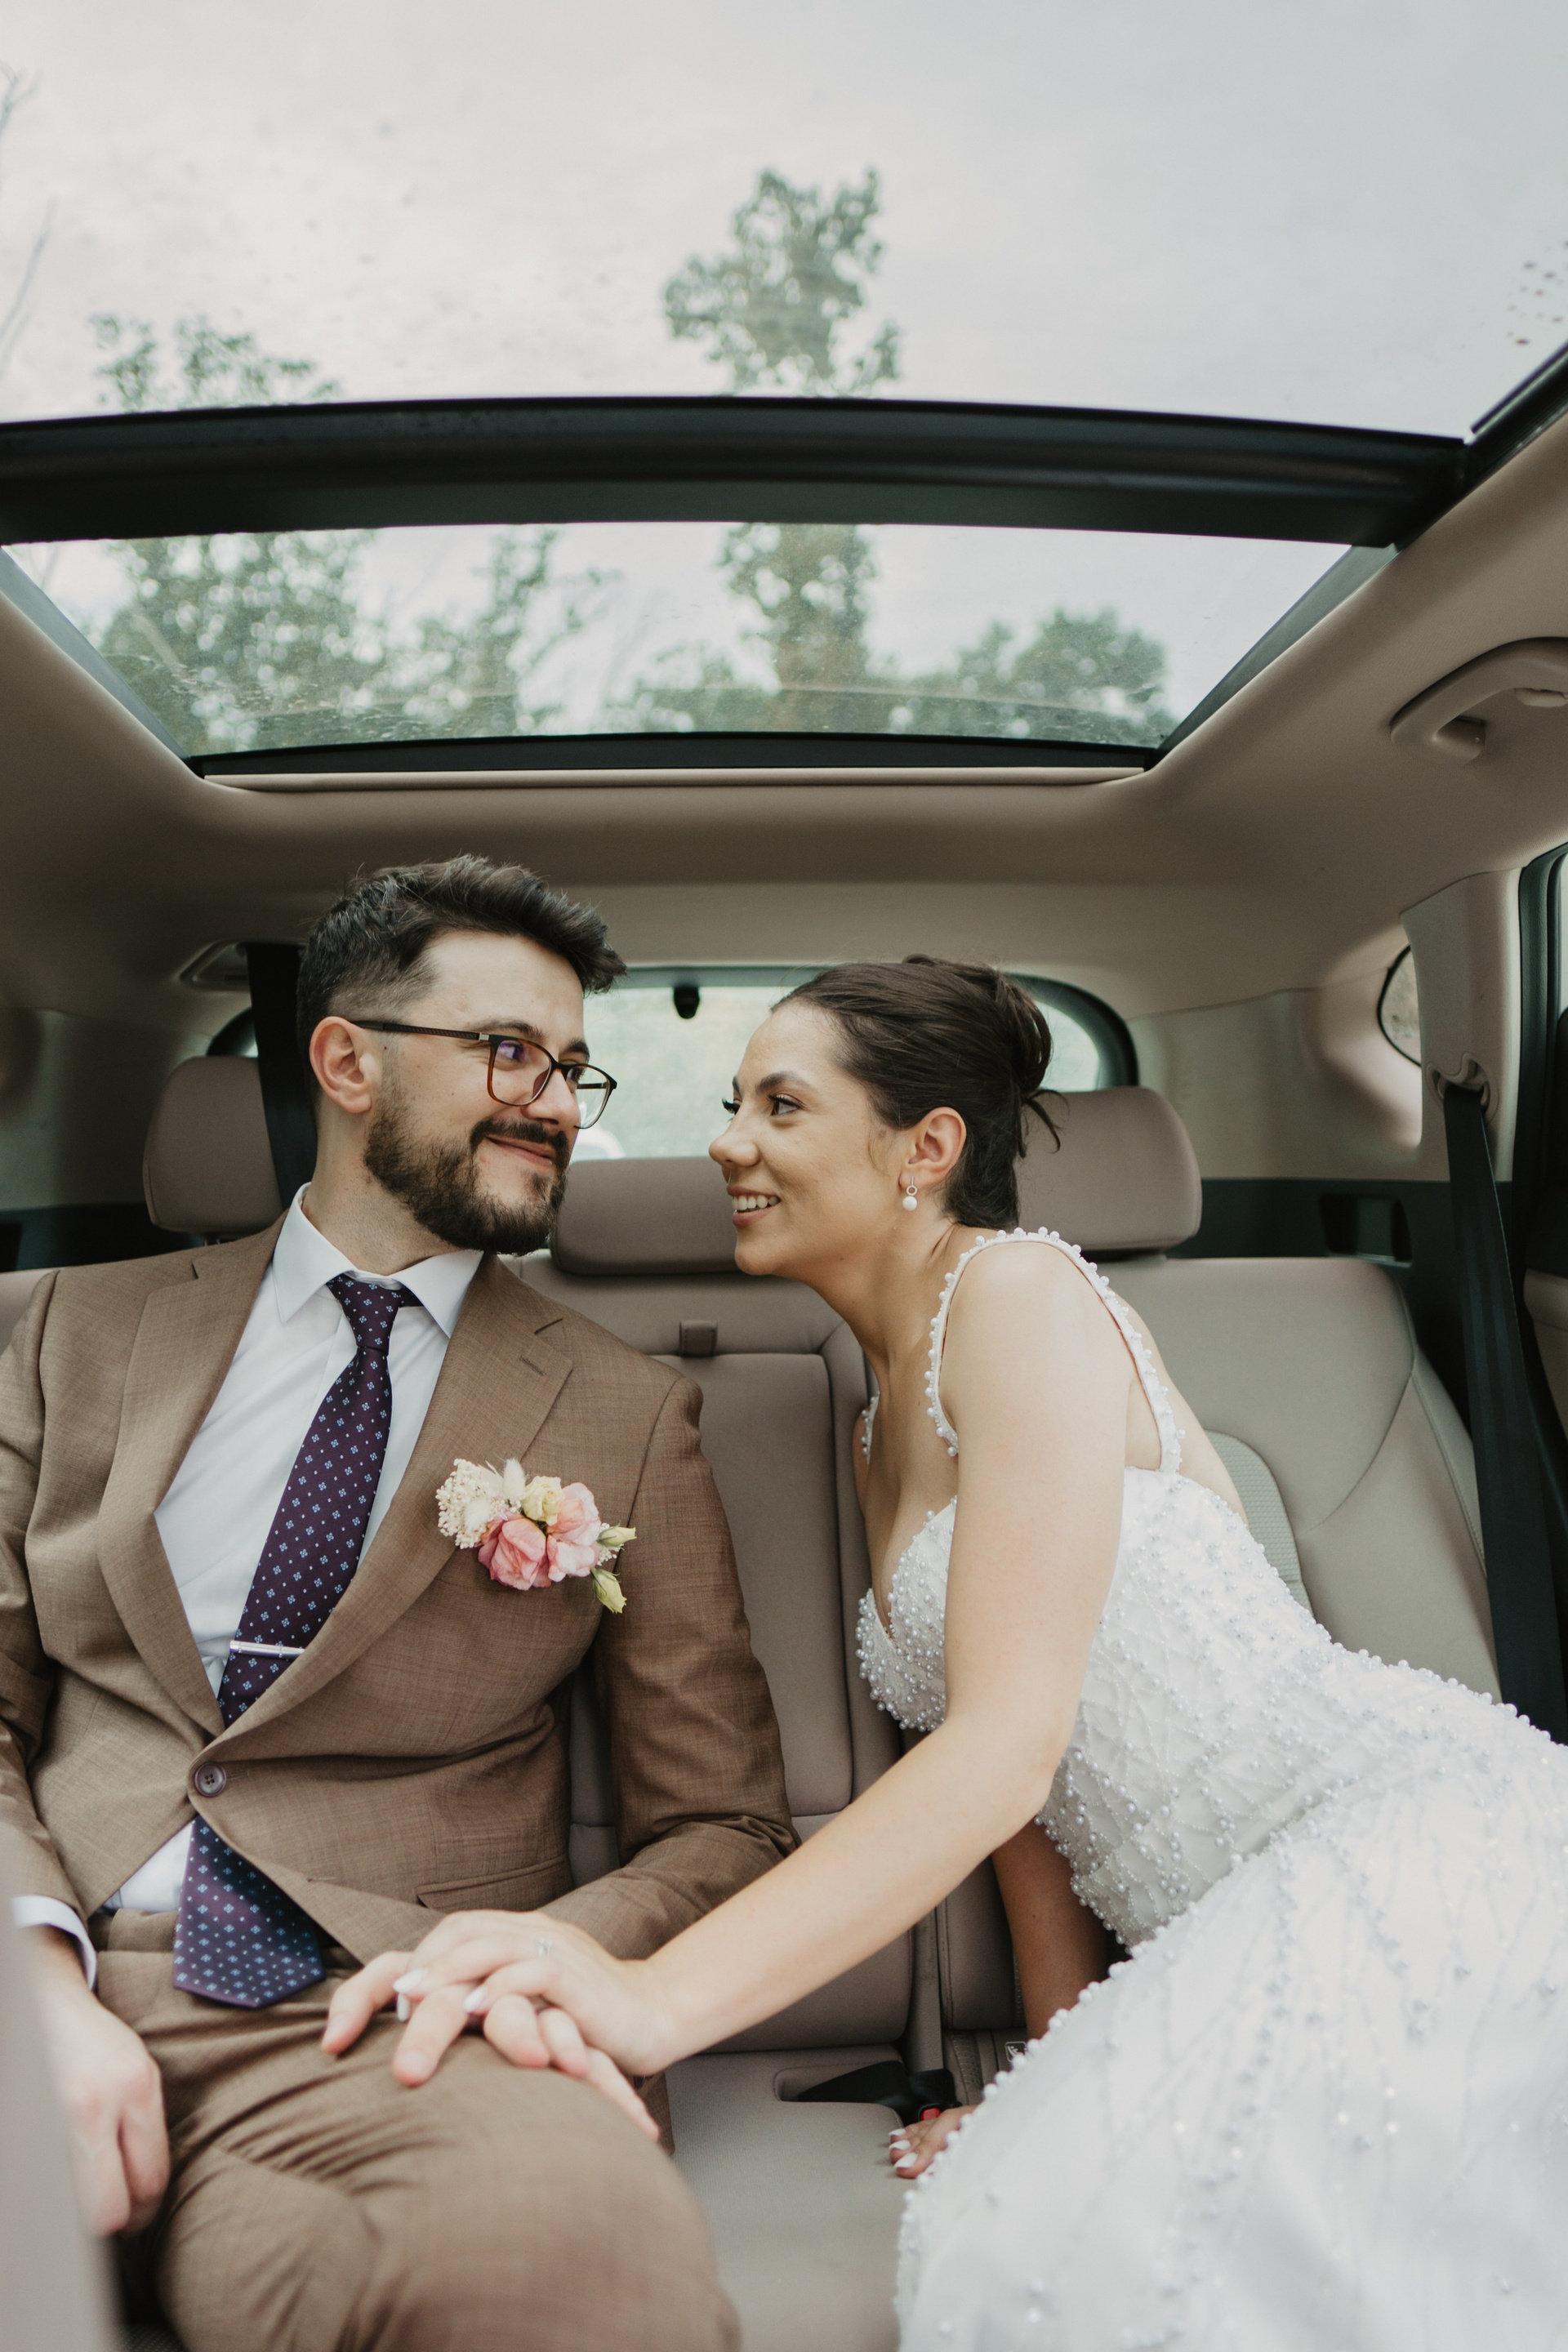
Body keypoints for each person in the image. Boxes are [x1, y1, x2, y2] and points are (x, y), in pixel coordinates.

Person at [359, 954, 1568, 2350]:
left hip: (1387, 1840)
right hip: (1221, 1929)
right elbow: (1025, 1805)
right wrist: (1053, 2066)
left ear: (925, 1148)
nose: (727, 1142)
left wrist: (652, 1998)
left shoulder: (1021, 1299)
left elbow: (1008, 1749)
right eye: (733, 1103)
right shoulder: (874, 1426)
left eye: (780, 1105)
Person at [0, 855, 793, 2352]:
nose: (554, 1103)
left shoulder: (625, 1411)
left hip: (389, 2018)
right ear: (346, 1063)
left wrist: (538, 1957)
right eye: (507, 1051)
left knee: (572, 2271)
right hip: (43, 1957)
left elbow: (725, 1824)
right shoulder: (62, 1334)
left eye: (570, 1068)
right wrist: (30, 1979)